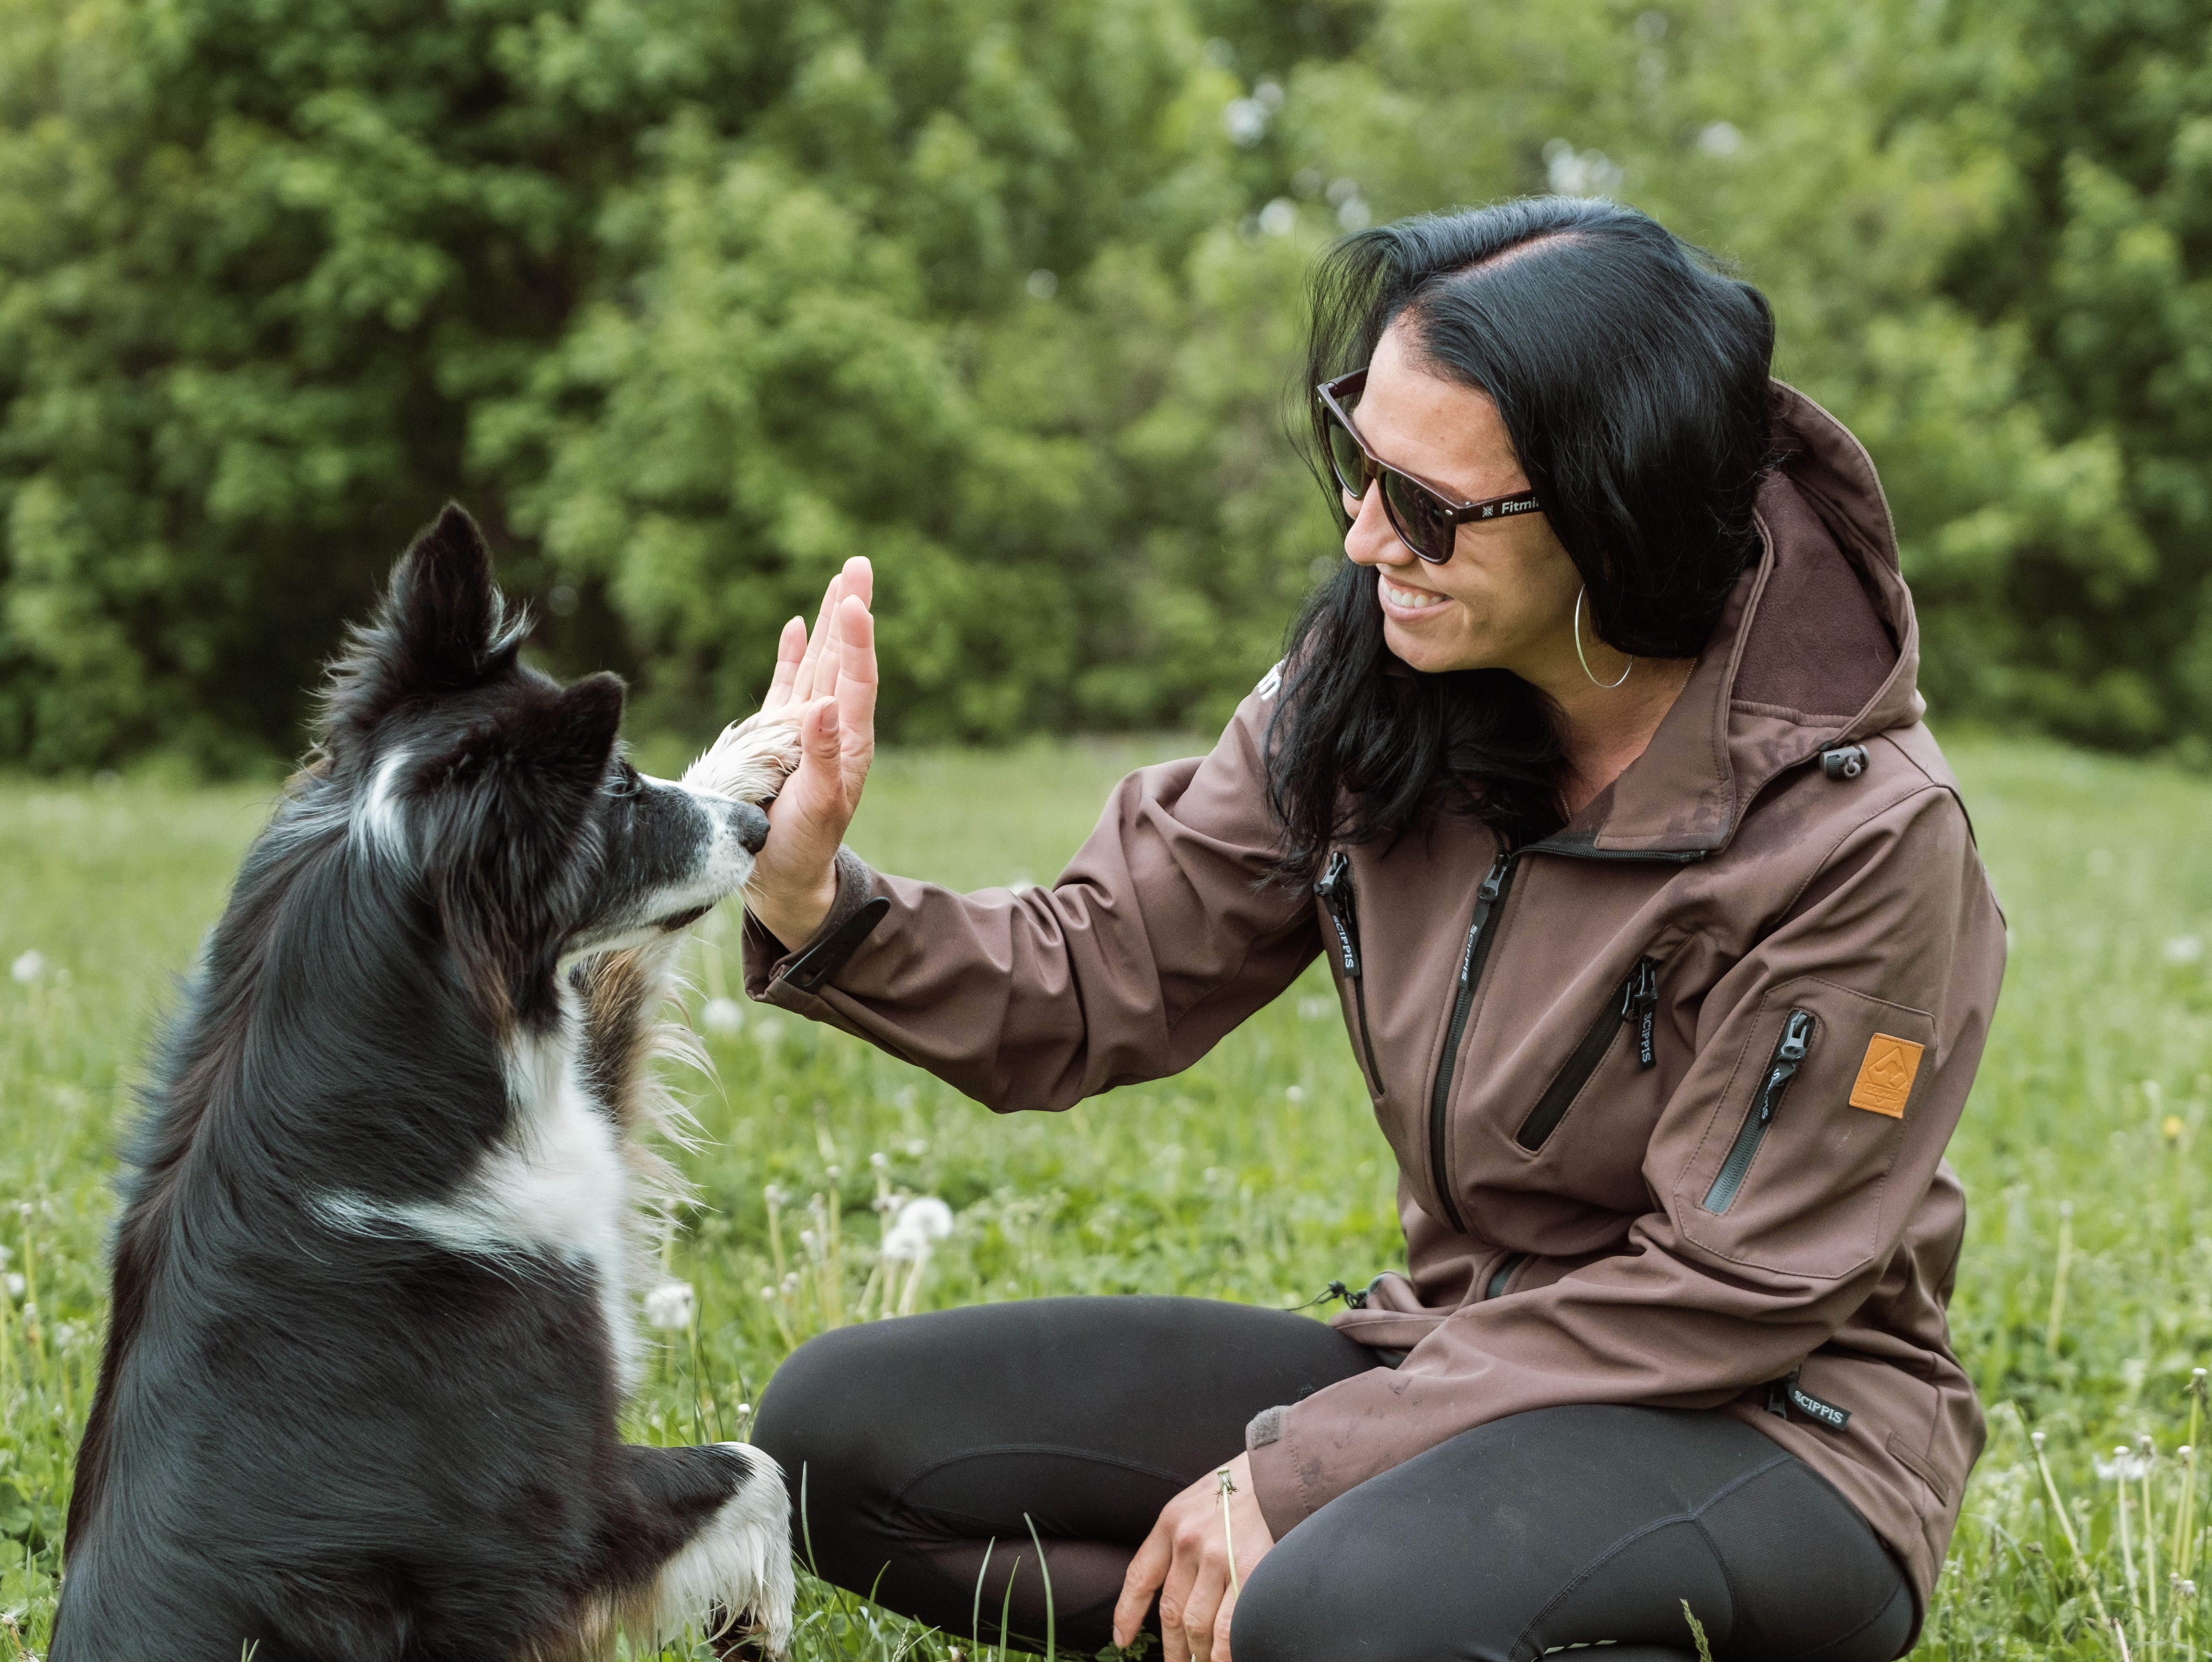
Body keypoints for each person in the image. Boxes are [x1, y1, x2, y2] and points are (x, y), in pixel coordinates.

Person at [736, 197, 2003, 1662]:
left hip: (1781, 1429)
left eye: (1429, 506)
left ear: (1614, 511)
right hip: (1447, 1353)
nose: (1363, 536)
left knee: (1337, 1611)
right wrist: (813, 894)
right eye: (1360, 461)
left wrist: (1302, 1474)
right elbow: (1104, 969)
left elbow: (1728, 1289)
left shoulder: (1866, 833)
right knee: (835, 1438)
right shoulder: (1379, 677)